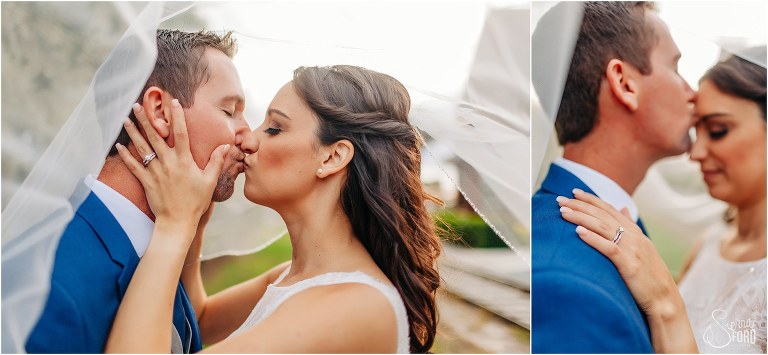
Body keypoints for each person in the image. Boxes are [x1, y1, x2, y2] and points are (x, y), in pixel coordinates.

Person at [105, 65, 442, 353]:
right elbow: (200, 320)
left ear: (332, 157)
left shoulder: (356, 305)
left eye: (275, 129)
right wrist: (196, 218)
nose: (248, 140)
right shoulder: (293, 276)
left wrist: (174, 225)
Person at [24, 29, 252, 353]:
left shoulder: (158, 239)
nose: (248, 135)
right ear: (160, 111)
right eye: (229, 111)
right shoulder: (53, 282)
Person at [558, 47, 767, 353]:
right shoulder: (707, 245)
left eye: (719, 130)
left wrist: (665, 303)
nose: (695, 153)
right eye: (697, 131)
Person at [531, 2, 697, 353]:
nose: (692, 93)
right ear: (624, 83)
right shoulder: (564, 285)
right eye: (676, 67)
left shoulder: (619, 224)